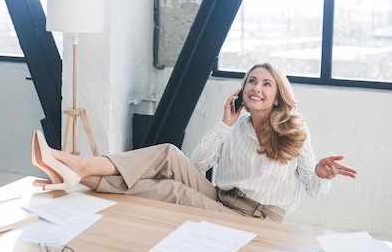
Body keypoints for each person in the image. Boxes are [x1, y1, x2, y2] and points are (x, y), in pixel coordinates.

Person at [31, 62, 357, 222]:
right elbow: (196, 166)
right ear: (243, 90)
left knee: (168, 190)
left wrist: (321, 174)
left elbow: (313, 191)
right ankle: (79, 166)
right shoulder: (237, 127)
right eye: (251, 81)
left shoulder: (295, 132)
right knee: (170, 154)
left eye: (266, 83)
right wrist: (225, 125)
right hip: (221, 197)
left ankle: (73, 168)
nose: (256, 87)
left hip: (257, 219)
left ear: (276, 96)